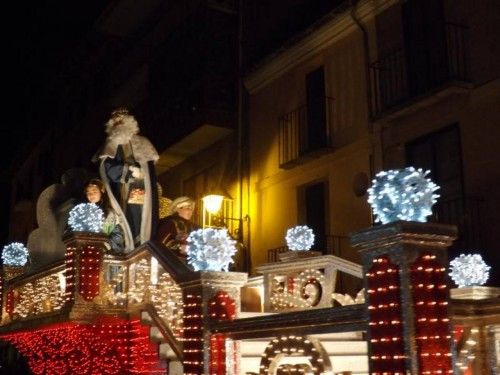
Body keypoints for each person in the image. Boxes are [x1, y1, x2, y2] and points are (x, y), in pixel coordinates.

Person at [94, 108, 159, 252]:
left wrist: (144, 176)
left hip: (142, 190)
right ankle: (127, 248)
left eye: (121, 121)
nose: (119, 124)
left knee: (142, 220)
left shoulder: (143, 143)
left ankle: (142, 246)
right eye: (115, 122)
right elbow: (108, 168)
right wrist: (129, 171)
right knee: (127, 219)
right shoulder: (111, 145)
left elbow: (150, 171)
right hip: (123, 190)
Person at [84, 179, 124, 253]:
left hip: (106, 251)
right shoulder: (84, 212)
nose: (91, 195)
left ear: (101, 192)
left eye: (94, 191)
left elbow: (116, 235)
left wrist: (104, 244)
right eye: (88, 192)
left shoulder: (109, 213)